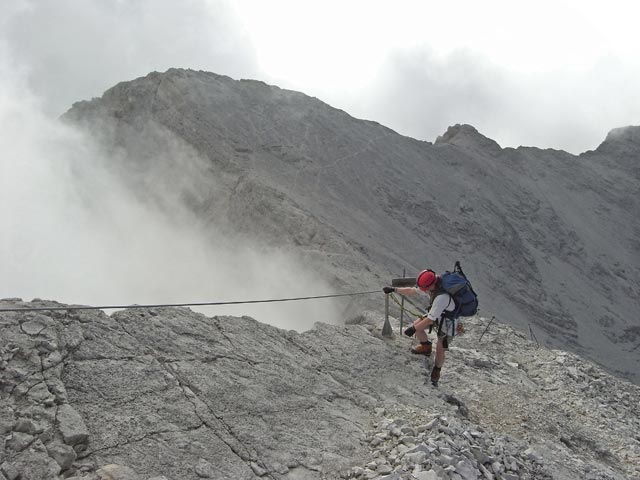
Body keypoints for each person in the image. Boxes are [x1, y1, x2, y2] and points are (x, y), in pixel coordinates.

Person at [383, 269, 456, 386]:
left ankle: (437, 370)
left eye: (425, 289)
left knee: (440, 348)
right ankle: (426, 347)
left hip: (448, 323)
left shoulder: (442, 297)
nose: (424, 291)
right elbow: (412, 291)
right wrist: (394, 290)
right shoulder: (432, 286)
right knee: (418, 327)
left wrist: (413, 329)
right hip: (437, 315)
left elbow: (430, 319)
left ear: (431, 285)